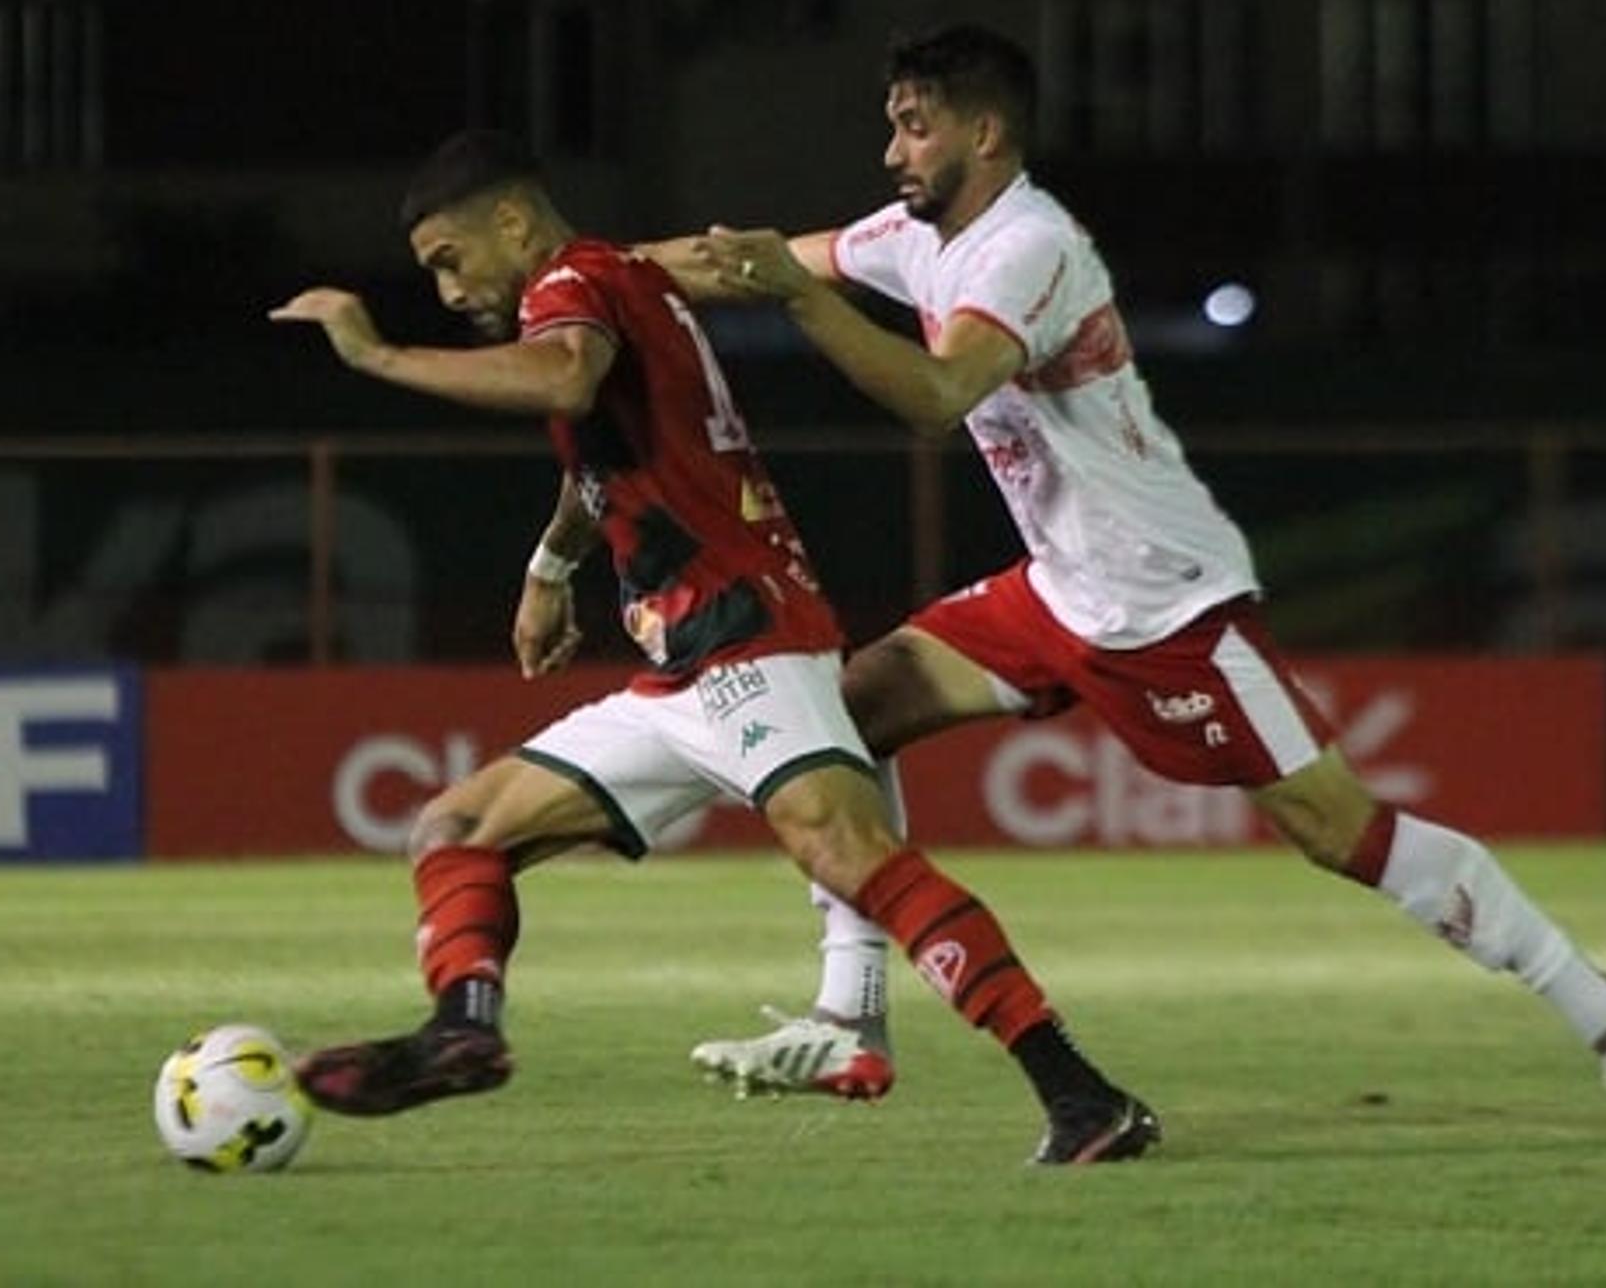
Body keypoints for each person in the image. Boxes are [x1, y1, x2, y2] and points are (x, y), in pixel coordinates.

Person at [665, 25, 1606, 1143]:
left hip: (1166, 606)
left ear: (985, 131)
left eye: (913, 125)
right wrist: (585, 278)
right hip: (1058, 589)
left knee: (1338, 830)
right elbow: (754, 256)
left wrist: (796, 296)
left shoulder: (1029, 246)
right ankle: (853, 1013)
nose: (890, 150)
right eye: (891, 123)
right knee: (846, 713)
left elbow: (934, 393)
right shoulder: (916, 235)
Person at [267, 129, 1159, 1164]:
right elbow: (593, 438)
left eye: (448, 258)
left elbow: (561, 381)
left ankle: (1080, 1093)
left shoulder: (573, 283)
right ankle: (464, 1026)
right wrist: (552, 568)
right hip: (683, 665)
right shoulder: (615, 280)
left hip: (747, 632)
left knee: (851, 855)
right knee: (458, 825)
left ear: (511, 220)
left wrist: (377, 356)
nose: (448, 285)